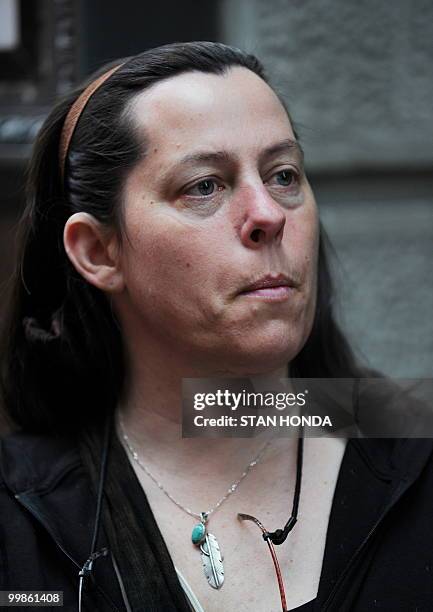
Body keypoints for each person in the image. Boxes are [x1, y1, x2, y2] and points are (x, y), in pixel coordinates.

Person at [0, 41, 432, 612]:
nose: (269, 215)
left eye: (283, 174)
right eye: (204, 185)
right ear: (100, 252)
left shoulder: (411, 449)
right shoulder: (22, 520)